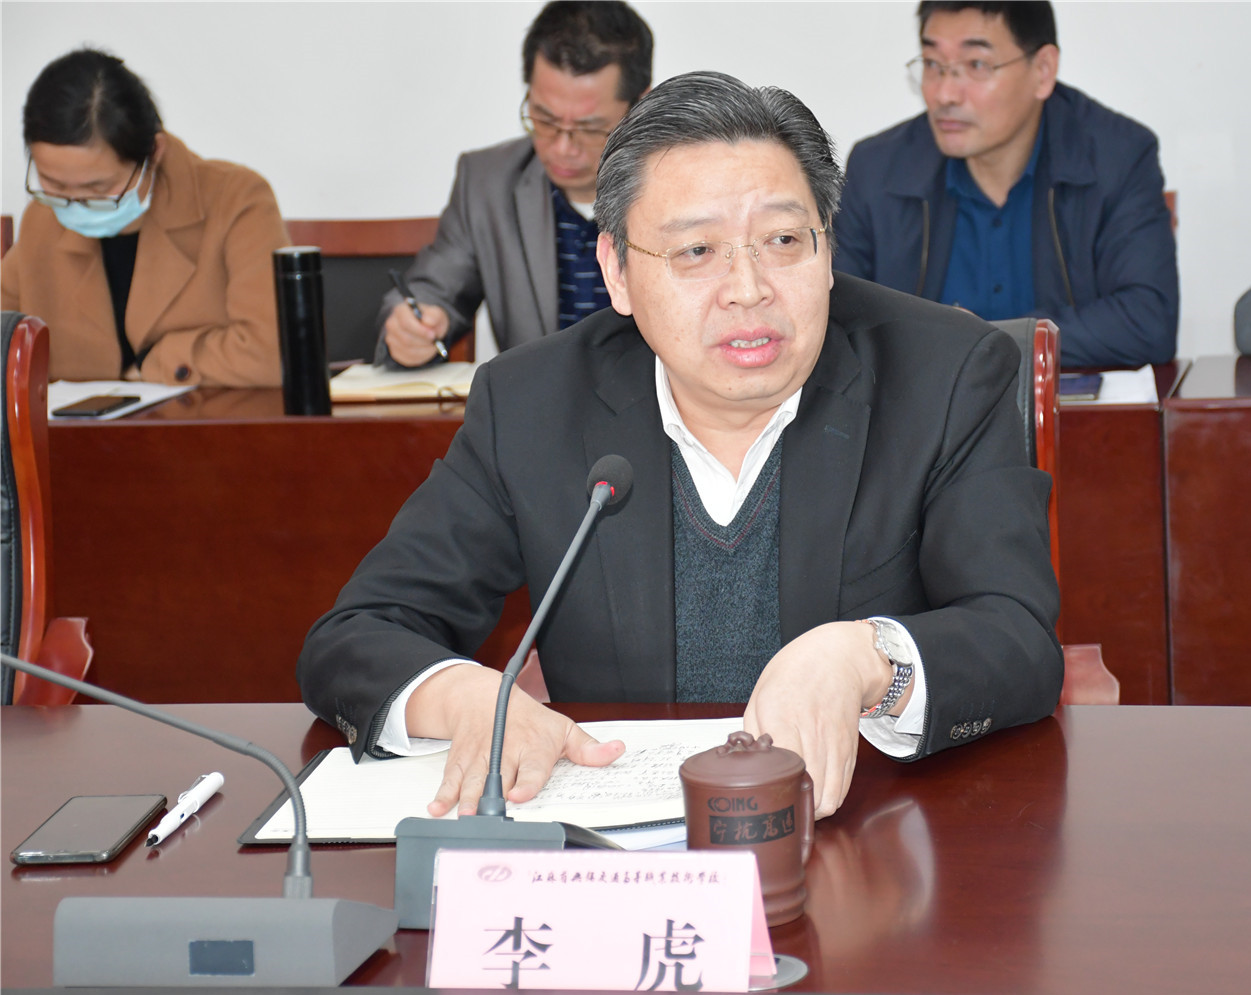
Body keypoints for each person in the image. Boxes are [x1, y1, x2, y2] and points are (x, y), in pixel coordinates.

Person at [300, 71, 1062, 821]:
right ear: (617, 272)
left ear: (827, 249)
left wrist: (868, 660)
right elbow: (359, 634)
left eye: (782, 240)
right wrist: (465, 696)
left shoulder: (943, 373)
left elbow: (1017, 635)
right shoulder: (532, 403)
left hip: (871, 836)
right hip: (616, 852)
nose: (747, 287)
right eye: (696, 251)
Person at [832, 1, 1178, 369]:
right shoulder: (877, 169)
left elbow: (1147, 323)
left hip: (1066, 404)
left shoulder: (1116, 157)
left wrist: (983, 343)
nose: (945, 94)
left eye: (976, 65)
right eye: (933, 64)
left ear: (1043, 70)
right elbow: (835, 322)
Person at [376, 0, 652, 367]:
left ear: (639, 105)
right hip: (542, 400)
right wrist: (411, 325)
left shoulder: (684, 185)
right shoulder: (487, 183)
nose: (562, 147)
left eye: (589, 128)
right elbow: (432, 291)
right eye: (545, 119)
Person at [1, 49, 287, 386]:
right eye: (55, 184)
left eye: (98, 188)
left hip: (212, 419)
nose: (75, 203)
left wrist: (155, 365)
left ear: (154, 152)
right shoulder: (43, 219)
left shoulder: (235, 200)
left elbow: (272, 353)